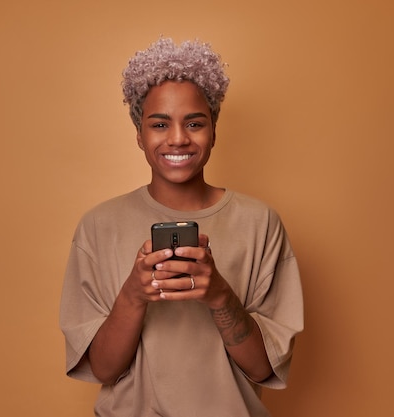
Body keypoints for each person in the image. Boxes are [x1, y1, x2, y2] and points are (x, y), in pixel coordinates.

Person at [60, 37, 303, 417]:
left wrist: (220, 295)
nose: (177, 138)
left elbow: (262, 368)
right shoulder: (98, 226)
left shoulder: (261, 223)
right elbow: (104, 369)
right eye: (160, 124)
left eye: (194, 123)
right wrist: (134, 294)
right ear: (139, 135)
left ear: (214, 132)